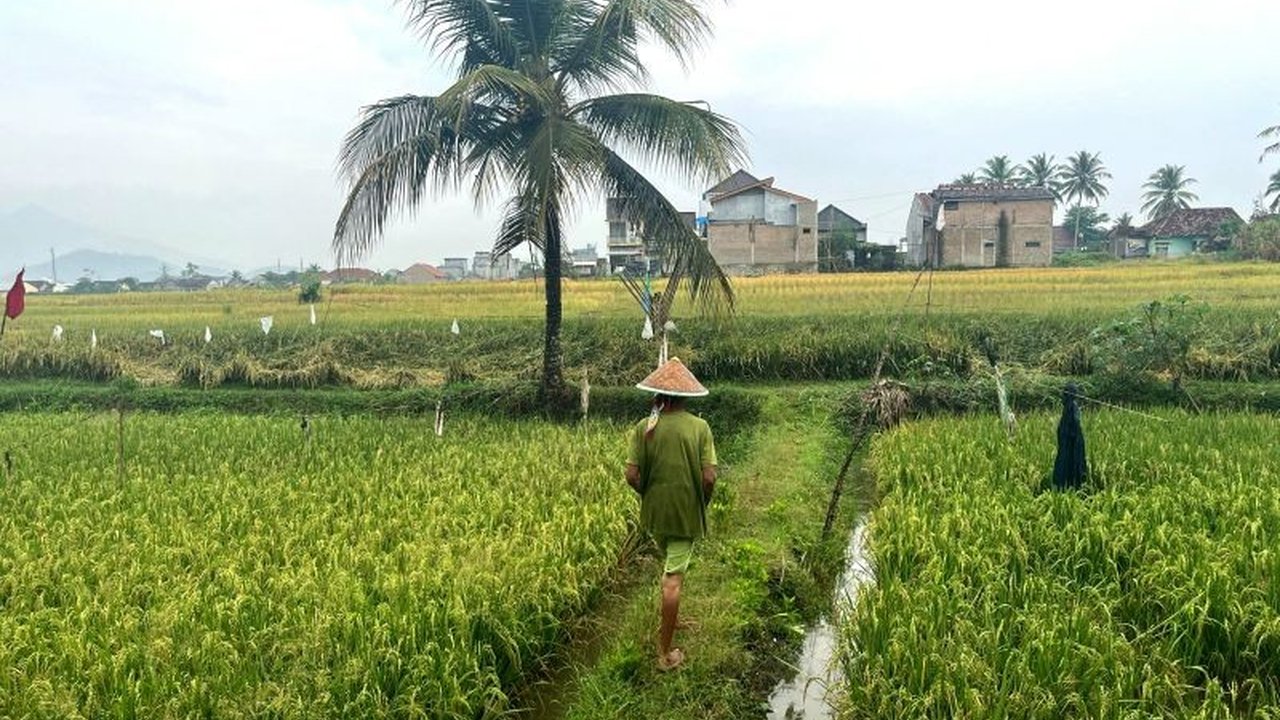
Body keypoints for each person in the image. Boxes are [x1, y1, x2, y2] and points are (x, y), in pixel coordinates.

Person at [624, 357, 717, 671]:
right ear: (685, 396)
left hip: (655, 514)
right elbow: (709, 478)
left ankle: (670, 623)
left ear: (658, 395)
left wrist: (647, 494)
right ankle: (664, 654)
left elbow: (631, 475)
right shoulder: (699, 428)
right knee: (672, 581)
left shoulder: (644, 427)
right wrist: (701, 502)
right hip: (685, 513)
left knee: (670, 566)